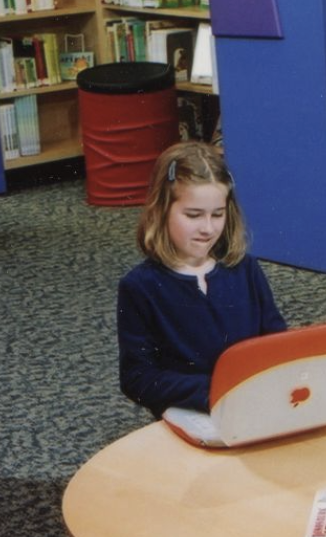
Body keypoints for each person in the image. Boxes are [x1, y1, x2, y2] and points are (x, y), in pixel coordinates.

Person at [117, 141, 287, 417]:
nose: (208, 228)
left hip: (254, 404)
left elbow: (277, 341)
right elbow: (137, 378)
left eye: (217, 215)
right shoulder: (140, 287)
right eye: (193, 215)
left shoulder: (245, 269)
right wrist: (215, 390)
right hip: (193, 412)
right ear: (161, 211)